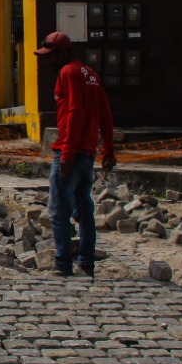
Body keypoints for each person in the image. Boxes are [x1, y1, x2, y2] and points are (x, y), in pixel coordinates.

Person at [35, 31, 116, 278]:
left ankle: (62, 263)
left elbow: (74, 112)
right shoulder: (91, 75)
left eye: (50, 56)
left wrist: (67, 153)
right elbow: (105, 114)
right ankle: (86, 263)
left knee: (58, 209)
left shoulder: (67, 73)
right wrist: (109, 150)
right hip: (88, 153)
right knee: (84, 209)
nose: (47, 61)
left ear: (64, 53)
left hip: (70, 151)